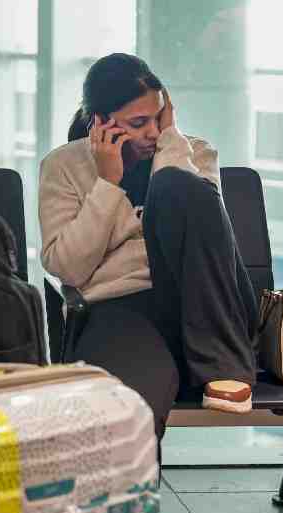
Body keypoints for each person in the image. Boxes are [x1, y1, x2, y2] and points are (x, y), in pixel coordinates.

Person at [38, 53, 259, 447]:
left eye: (159, 117)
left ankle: (226, 367)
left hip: (206, 304)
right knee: (128, 417)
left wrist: (172, 144)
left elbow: (205, 233)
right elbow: (69, 269)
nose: (153, 133)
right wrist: (108, 185)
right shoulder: (64, 167)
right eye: (138, 123)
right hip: (122, 309)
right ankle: (130, 509)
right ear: (100, 122)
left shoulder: (195, 153)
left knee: (182, 187)